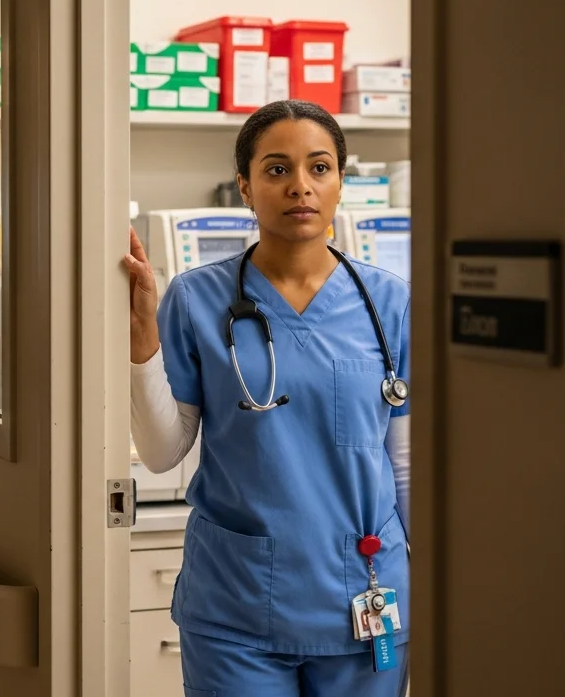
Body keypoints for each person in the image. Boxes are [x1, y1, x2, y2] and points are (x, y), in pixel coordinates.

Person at [125, 100, 411, 696]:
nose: (300, 186)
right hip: (237, 604)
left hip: (364, 597)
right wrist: (143, 341)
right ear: (245, 188)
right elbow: (161, 452)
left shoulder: (391, 304)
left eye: (320, 167)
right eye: (277, 170)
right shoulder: (194, 298)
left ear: (340, 184)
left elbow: (403, 465)